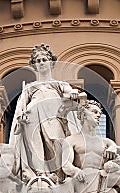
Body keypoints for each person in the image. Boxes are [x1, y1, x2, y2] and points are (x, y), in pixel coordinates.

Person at [9, 44, 79, 182]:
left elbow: (69, 93)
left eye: (44, 60)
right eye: (38, 61)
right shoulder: (29, 87)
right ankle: (40, 174)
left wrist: (73, 93)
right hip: (32, 116)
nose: (41, 63)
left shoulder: (59, 84)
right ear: (34, 65)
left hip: (53, 114)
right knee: (35, 143)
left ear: (50, 62)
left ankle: (60, 176)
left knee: (57, 141)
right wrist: (20, 116)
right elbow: (21, 106)